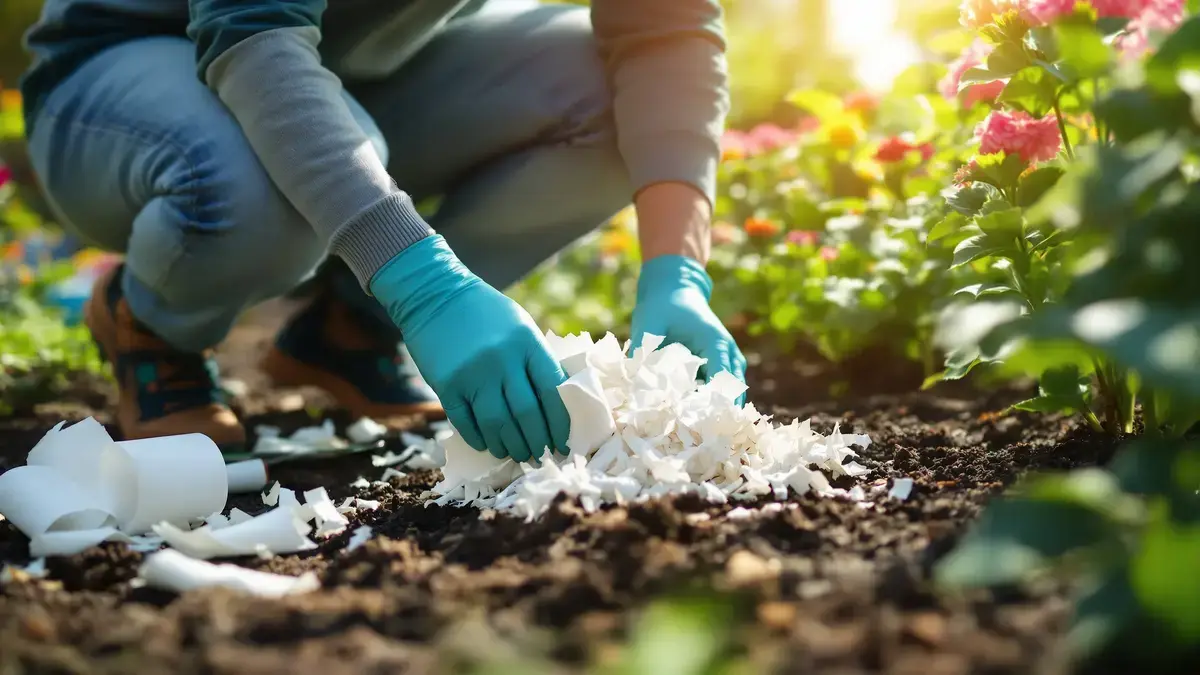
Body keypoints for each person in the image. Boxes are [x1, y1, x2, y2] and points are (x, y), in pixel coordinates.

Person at [20, 0, 746, 462]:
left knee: (614, 106)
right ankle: (150, 324)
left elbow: (668, 29)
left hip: (369, 67)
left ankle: (347, 331)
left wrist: (677, 273)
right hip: (134, 66)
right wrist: (426, 285)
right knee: (262, 187)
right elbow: (254, 35)